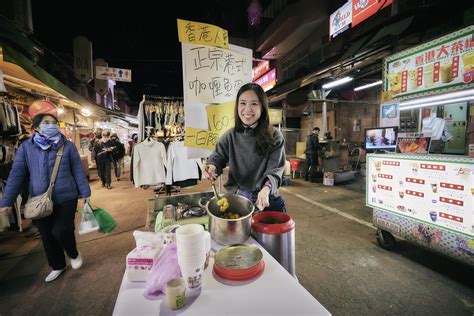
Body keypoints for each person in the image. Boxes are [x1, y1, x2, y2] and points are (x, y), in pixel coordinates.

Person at [0, 113, 91, 283]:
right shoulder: (26, 148)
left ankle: (73, 253)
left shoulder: (68, 146)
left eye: (54, 122)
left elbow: (78, 170)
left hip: (66, 197)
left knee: (62, 230)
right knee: (47, 236)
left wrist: (85, 192)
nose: (51, 125)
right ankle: (58, 266)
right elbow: (16, 175)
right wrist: (6, 200)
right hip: (39, 200)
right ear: (36, 128)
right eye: (46, 122)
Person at [203, 83, 286, 212]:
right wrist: (212, 166)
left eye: (254, 104)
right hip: (238, 197)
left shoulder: (275, 136)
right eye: (242, 103)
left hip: (266, 197)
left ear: (262, 108)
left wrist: (267, 188)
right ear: (237, 106)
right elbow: (218, 156)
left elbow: (275, 170)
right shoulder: (230, 135)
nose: (247, 109)